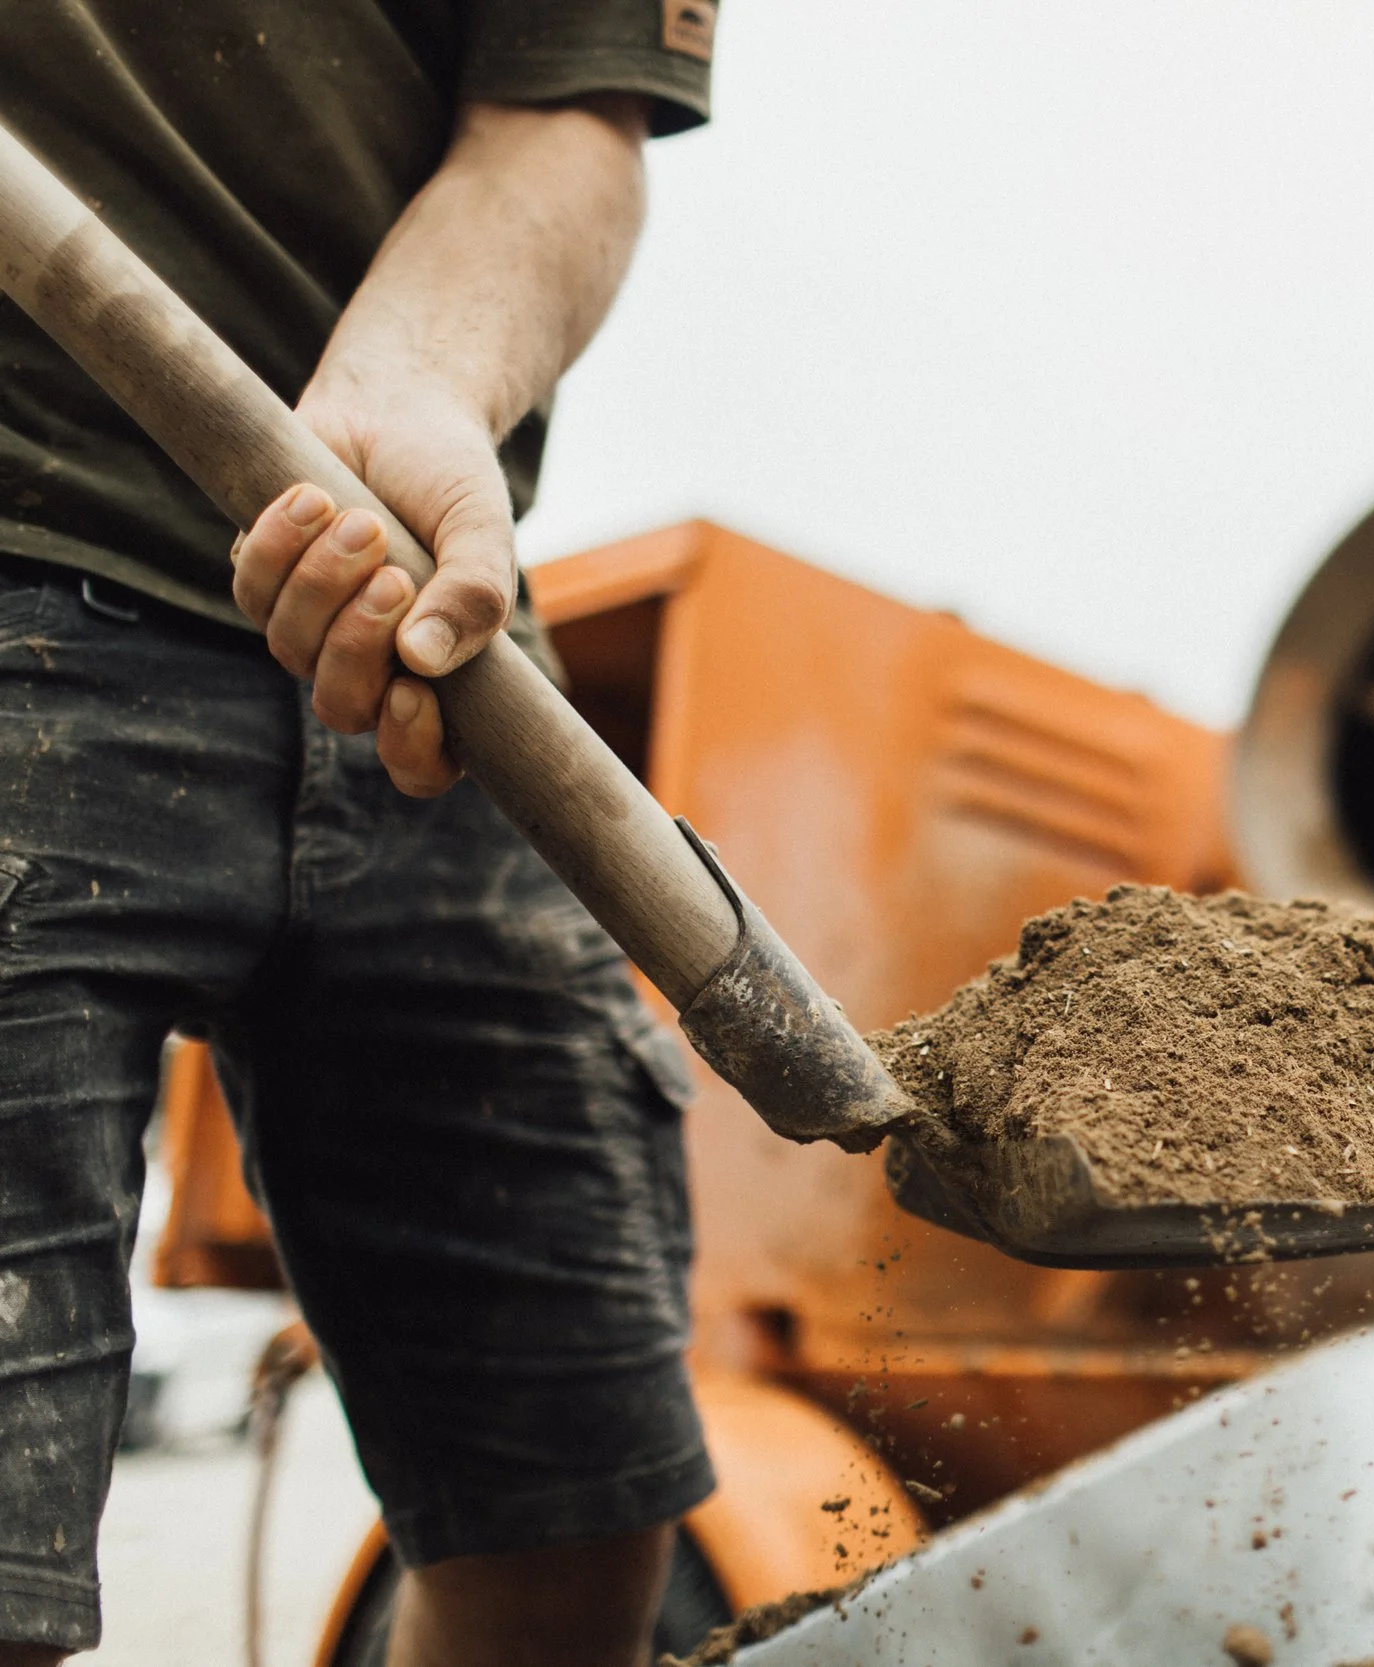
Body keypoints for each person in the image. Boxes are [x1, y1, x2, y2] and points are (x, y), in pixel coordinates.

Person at [0, 4, 727, 1662]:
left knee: (573, 1528)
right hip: (18, 539)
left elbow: (565, 115)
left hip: (421, 653)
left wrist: (418, 381)